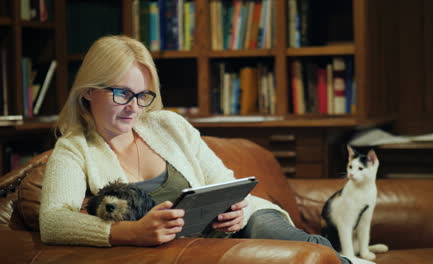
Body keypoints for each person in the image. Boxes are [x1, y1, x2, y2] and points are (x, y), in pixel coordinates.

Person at [39, 35, 362, 264]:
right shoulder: (73, 149)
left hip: (242, 225)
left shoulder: (167, 125)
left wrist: (236, 208)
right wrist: (130, 232)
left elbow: (224, 180)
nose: (133, 107)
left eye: (142, 95)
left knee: (297, 246)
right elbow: (53, 222)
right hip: (191, 249)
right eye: (122, 93)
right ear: (89, 93)